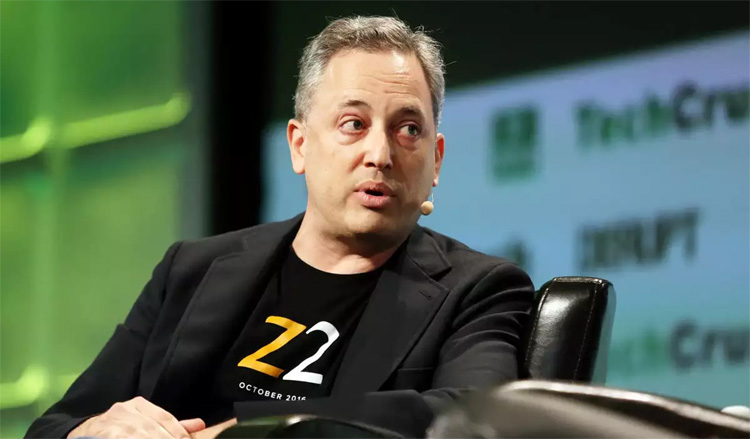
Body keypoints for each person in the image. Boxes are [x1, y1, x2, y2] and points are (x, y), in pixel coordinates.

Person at [26, 15, 534, 439]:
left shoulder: (479, 290)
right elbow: (52, 427)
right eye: (353, 124)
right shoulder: (192, 270)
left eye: (408, 129)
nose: (380, 154)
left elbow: (474, 417)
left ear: (436, 160)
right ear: (299, 144)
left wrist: (247, 431)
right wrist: (93, 430)